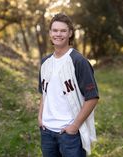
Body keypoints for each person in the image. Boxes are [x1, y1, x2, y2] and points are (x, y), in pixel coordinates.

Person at [38, 13, 99, 157]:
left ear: (70, 33)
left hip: (70, 135)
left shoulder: (79, 61)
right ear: (50, 33)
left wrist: (74, 126)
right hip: (46, 132)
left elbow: (92, 98)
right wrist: (40, 118)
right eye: (55, 30)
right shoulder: (45, 62)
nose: (58, 34)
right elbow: (44, 93)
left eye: (63, 31)